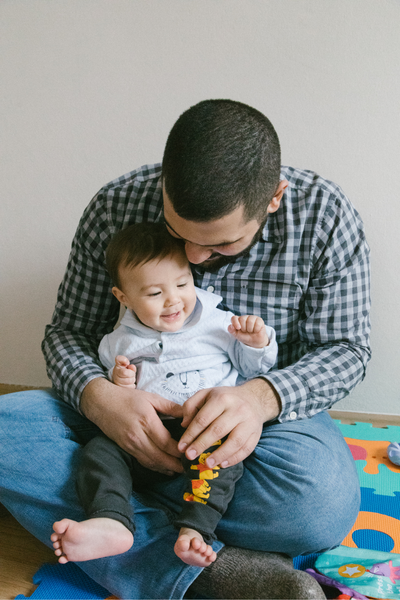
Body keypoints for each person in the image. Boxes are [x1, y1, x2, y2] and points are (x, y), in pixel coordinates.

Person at [0, 99, 371, 600]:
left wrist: (258, 399)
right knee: (6, 430)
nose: (194, 260)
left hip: (262, 424)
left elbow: (345, 349)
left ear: (275, 198)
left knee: (318, 506)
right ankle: (214, 571)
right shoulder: (116, 205)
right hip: (131, 403)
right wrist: (100, 399)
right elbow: (70, 331)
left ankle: (120, 502)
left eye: (220, 246)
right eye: (177, 234)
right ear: (162, 188)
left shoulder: (325, 215)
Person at [51, 222, 278, 568]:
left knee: (221, 464)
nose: (173, 300)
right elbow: (119, 399)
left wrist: (256, 343)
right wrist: (121, 381)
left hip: (207, 431)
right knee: (99, 453)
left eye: (183, 284)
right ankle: (110, 520)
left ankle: (195, 531)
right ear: (123, 298)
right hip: (145, 436)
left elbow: (251, 370)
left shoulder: (218, 323)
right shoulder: (116, 342)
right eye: (155, 294)